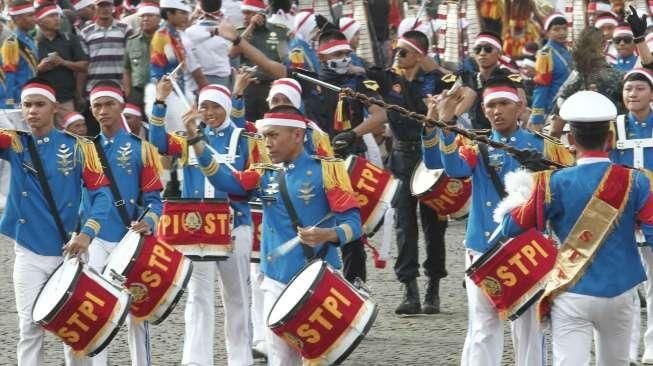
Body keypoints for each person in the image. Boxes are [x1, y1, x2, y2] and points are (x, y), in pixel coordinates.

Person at [185, 105, 362, 366]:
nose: (266, 143)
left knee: (319, 357)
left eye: (273, 135)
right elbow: (226, 181)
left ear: (297, 135)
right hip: (275, 279)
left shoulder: (327, 170)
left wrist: (329, 234)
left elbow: (354, 223)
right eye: (264, 136)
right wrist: (196, 141)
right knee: (279, 357)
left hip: (319, 276)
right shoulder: (264, 173)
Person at [422, 77, 573, 366]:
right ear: (483, 109)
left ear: (519, 107)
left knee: (530, 327)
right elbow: (451, 169)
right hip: (483, 246)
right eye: (491, 105)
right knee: (483, 324)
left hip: (527, 247)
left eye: (504, 103)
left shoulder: (543, 146)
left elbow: (564, 191)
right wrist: (442, 122)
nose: (497, 111)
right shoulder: (473, 144)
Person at [496, 90, 653, 366]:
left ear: (570, 139)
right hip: (621, 290)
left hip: (573, 290)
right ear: (610, 139)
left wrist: (528, 185)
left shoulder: (551, 182)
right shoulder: (636, 182)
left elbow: (511, 226)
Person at [2, 78, 111, 365]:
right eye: (27, 105)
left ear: (54, 109)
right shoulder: (15, 142)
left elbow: (102, 196)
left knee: (74, 331)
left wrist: (87, 234)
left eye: (39, 105)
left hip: (69, 250)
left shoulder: (81, 147)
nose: (32, 111)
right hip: (28, 250)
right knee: (29, 327)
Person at [149, 79, 255, 366]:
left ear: (227, 108)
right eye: (204, 106)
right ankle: (196, 361)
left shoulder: (245, 139)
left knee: (237, 297)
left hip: (235, 227)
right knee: (198, 296)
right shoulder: (187, 139)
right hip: (196, 229)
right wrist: (160, 100)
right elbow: (157, 141)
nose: (209, 113)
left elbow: (248, 183)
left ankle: (240, 359)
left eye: (215, 107)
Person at [80, 81, 162, 366]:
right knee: (96, 311)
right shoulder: (85, 150)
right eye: (97, 106)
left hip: (130, 240)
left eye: (108, 104)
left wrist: (149, 221)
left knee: (137, 314)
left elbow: (155, 200)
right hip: (97, 238)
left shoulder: (143, 150)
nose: (102, 111)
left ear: (121, 107)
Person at [366, 30, 447, 315]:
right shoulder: (388, 78)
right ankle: (409, 288)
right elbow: (358, 75)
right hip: (401, 156)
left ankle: (433, 287)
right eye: (395, 51)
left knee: (434, 226)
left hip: (431, 157)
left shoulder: (436, 80)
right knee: (404, 225)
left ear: (419, 55)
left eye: (403, 52)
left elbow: (462, 85)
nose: (397, 56)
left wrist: (431, 66)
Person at [310, 30, 387, 285]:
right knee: (317, 219)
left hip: (350, 156)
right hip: (317, 159)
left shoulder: (360, 82)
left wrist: (353, 134)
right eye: (336, 54)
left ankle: (356, 281)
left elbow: (379, 114)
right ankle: (320, 280)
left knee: (350, 222)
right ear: (322, 56)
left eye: (346, 54)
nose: (343, 59)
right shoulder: (310, 80)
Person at [610, 68, 653, 364]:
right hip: (622, 215)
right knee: (624, 287)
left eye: (639, 88)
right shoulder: (613, 127)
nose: (633, 94)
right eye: (628, 90)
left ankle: (652, 347)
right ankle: (625, 352)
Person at [233, 0, 289, 121]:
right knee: (246, 125)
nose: (244, 16)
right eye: (243, 13)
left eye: (248, 13)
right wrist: (251, 27)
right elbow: (232, 53)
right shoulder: (240, 32)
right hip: (248, 87)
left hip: (270, 87)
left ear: (259, 14)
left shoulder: (278, 31)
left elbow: (286, 59)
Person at [35, 3, 89, 125]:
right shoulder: (33, 42)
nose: (56, 19)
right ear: (40, 21)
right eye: (51, 16)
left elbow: (84, 66)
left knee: (68, 135)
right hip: (39, 99)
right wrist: (39, 68)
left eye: (57, 15)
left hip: (65, 98)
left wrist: (63, 62)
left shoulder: (70, 39)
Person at [528, 13, 571, 131]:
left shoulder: (568, 51)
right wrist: (537, 119)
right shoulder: (545, 55)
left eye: (564, 28)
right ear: (547, 33)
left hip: (569, 109)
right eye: (556, 29)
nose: (562, 32)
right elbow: (541, 88)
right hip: (553, 110)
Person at [184, 0, 233, 87]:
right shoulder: (227, 31)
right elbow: (231, 55)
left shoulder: (189, 32)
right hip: (220, 81)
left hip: (196, 81)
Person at [2, 1, 38, 108]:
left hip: (32, 93)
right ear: (17, 19)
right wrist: (10, 102)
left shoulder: (30, 40)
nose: (34, 19)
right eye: (30, 15)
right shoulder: (11, 43)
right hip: (19, 98)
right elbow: (8, 75)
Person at [124, 2, 160, 106]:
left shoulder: (166, 39)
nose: (145, 19)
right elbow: (126, 69)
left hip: (160, 90)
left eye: (150, 15)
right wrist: (128, 92)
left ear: (158, 18)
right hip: (138, 92)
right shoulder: (132, 41)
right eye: (142, 16)